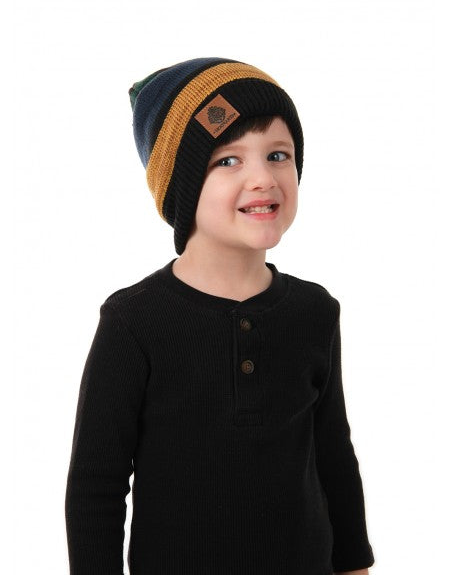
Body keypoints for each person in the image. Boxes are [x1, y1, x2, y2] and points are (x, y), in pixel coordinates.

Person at [64, 57, 375, 575]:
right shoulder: (133, 321)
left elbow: (334, 457)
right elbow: (96, 486)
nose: (263, 178)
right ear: (182, 187)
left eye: (278, 155)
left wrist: (355, 566)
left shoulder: (314, 312)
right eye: (228, 160)